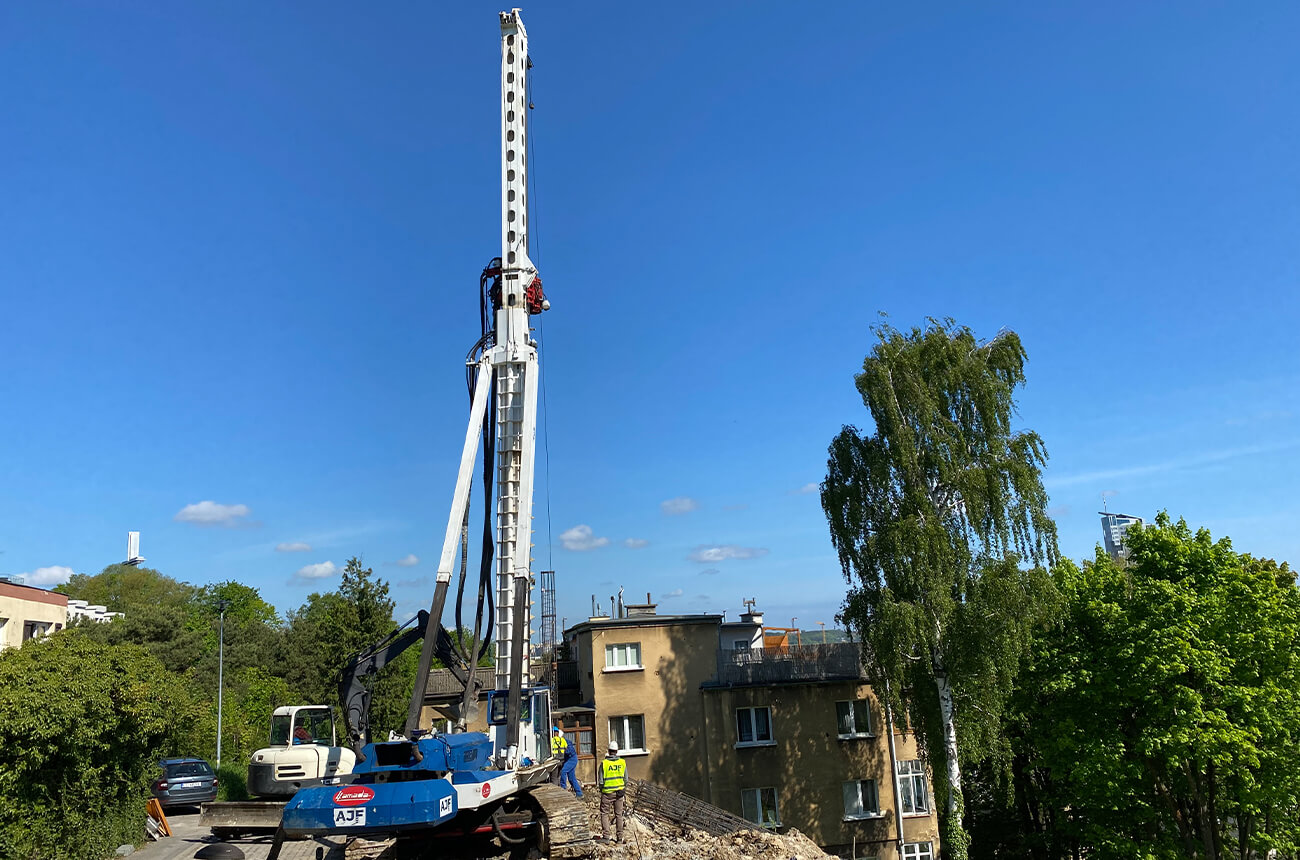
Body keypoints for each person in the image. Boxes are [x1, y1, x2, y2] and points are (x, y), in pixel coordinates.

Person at [598, 742, 626, 842]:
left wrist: (601, 790)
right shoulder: (622, 762)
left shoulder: (604, 763)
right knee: (619, 815)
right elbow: (625, 779)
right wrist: (622, 788)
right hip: (619, 793)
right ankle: (619, 838)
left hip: (607, 793)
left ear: (608, 751)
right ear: (617, 751)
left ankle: (606, 837)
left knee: (604, 813)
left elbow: (601, 781)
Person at [553, 726, 583, 798]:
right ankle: (579, 793)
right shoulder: (555, 741)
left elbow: (570, 751)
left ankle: (563, 788)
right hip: (568, 759)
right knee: (571, 778)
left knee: (563, 771)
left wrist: (563, 751)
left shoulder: (566, 742)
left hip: (572, 759)